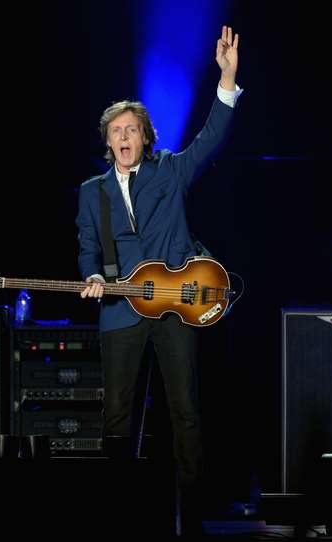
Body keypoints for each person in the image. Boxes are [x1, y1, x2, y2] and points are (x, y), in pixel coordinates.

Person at [76, 25, 242, 536]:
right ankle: (124, 517)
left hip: (173, 307)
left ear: (145, 137)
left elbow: (210, 139)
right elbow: (88, 247)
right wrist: (92, 277)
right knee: (117, 421)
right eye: (115, 132)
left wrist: (227, 80)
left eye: (131, 130)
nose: (124, 138)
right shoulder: (93, 192)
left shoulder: (169, 171)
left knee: (184, 414)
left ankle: (190, 522)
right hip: (121, 311)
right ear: (107, 141)